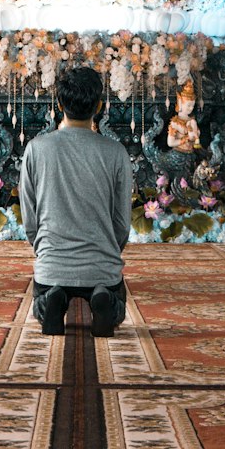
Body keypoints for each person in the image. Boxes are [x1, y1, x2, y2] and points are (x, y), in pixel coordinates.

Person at [19, 64, 132, 338]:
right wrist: (107, 249)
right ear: (100, 106)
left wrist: (44, 248)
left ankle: (52, 299)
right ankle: (103, 298)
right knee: (116, 303)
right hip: (103, 264)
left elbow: (29, 217)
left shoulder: (36, 148)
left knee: (44, 293)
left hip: (51, 264)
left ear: (59, 104)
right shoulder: (116, 153)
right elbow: (122, 222)